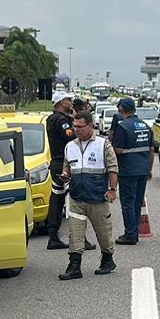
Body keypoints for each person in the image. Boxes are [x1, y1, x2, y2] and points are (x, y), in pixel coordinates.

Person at [58, 110, 117, 280]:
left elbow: (113, 167)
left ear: (90, 126)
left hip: (97, 196)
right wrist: (65, 174)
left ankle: (107, 259)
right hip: (76, 197)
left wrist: (112, 190)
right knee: (75, 233)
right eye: (74, 126)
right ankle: (74, 266)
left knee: (103, 232)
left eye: (80, 126)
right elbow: (66, 166)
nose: (76, 130)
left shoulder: (103, 144)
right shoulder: (70, 146)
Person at [43, 93, 92, 253]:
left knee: (56, 200)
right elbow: (72, 136)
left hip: (57, 163)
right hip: (66, 163)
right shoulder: (61, 121)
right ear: (62, 102)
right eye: (69, 100)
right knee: (75, 201)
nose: (71, 102)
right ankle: (80, 239)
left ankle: (53, 236)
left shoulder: (51, 118)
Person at [109, 97, 154, 245]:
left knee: (128, 202)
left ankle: (130, 234)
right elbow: (151, 150)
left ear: (121, 109)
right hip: (143, 169)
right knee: (137, 202)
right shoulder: (145, 126)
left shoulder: (122, 127)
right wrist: (149, 169)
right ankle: (134, 232)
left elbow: (118, 150)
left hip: (128, 170)